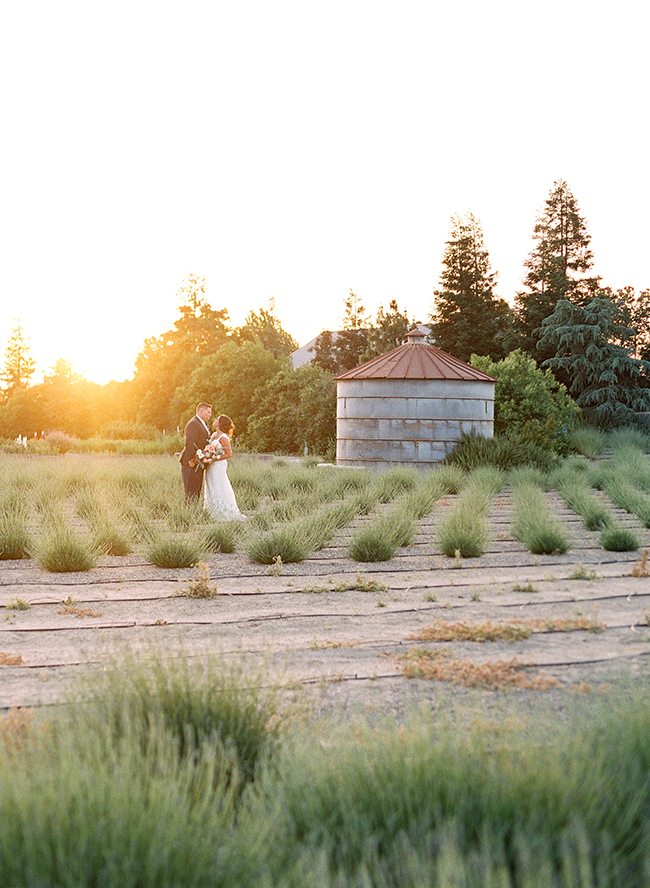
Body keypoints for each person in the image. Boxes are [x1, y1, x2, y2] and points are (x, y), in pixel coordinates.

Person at [203, 414, 246, 521]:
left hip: (218, 465)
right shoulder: (213, 435)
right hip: (210, 465)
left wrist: (214, 458)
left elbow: (229, 454)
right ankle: (211, 511)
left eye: (217, 419)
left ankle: (225, 511)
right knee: (210, 485)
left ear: (220, 424)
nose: (215, 420)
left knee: (220, 485)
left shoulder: (223, 437)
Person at [179, 402, 212, 502]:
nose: (210, 415)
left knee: (196, 490)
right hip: (191, 462)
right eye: (208, 412)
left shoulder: (202, 423)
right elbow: (190, 443)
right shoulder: (194, 423)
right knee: (191, 491)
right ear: (201, 411)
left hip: (198, 461)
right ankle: (188, 514)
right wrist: (190, 459)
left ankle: (193, 512)